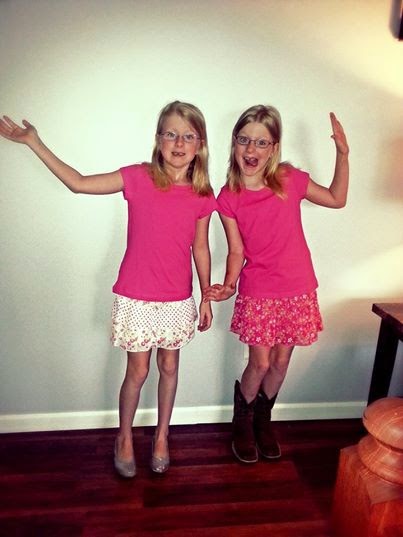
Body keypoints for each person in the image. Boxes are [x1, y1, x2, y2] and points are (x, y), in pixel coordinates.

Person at [0, 101, 216, 478]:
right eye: (170, 134)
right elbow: (79, 183)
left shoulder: (202, 193)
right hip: (135, 295)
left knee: (169, 366)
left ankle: (162, 436)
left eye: (188, 136)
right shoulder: (138, 177)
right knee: (138, 371)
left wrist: (206, 296)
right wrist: (34, 141)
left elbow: (200, 246)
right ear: (158, 139)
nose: (179, 142)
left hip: (177, 298)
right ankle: (124, 437)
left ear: (200, 144)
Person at [204, 105, 349, 464]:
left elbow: (337, 199)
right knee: (260, 363)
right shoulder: (228, 196)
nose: (251, 149)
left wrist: (343, 154)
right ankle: (242, 423)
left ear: (274, 148)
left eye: (261, 142)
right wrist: (229, 284)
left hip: (298, 287)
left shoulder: (289, 179)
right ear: (234, 143)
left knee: (281, 363)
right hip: (259, 290)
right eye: (244, 140)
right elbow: (236, 250)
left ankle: (262, 420)